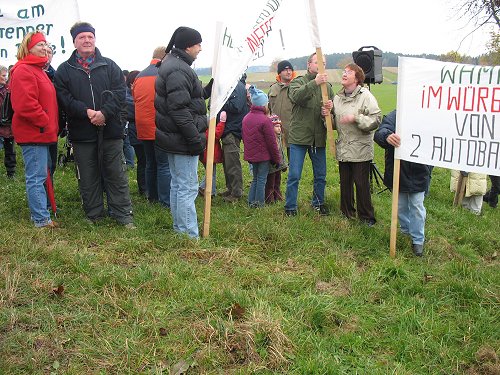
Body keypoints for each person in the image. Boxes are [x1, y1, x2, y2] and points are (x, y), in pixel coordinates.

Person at [55, 22, 135, 228]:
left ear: (95, 40)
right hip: (82, 133)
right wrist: (87, 112)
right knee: (88, 176)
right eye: (82, 37)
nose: (87, 40)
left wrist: (104, 113)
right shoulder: (65, 70)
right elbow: (64, 98)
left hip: (110, 131)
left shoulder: (110, 66)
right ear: (74, 42)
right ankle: (93, 214)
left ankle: (122, 215)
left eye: (90, 36)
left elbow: (119, 94)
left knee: (116, 174)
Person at [155, 26, 207, 238]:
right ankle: (188, 234)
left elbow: (187, 97)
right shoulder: (178, 69)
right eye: (198, 44)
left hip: (174, 137)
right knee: (187, 187)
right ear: (188, 45)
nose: (200, 49)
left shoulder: (175, 65)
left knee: (178, 185)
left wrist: (208, 90)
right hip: (182, 138)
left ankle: (180, 230)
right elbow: (179, 109)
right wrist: (194, 139)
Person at [9, 31, 59, 228]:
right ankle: (40, 219)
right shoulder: (23, 70)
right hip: (34, 133)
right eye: (40, 45)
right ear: (28, 48)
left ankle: (43, 212)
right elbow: (25, 104)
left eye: (46, 45)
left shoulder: (37, 70)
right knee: (36, 177)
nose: (45, 48)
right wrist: (44, 121)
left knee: (41, 175)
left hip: (41, 132)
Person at [374, 110, 431, 256]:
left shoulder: (429, 115)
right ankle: (406, 231)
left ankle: (418, 240)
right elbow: (380, 131)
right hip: (398, 170)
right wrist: (387, 136)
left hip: (420, 171)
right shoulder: (397, 114)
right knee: (400, 206)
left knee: (417, 206)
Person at [331, 63, 381, 226]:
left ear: (357, 79)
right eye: (344, 71)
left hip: (360, 149)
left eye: (349, 72)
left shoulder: (366, 96)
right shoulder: (337, 98)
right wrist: (326, 115)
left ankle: (367, 218)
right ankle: (346, 213)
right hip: (344, 147)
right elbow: (334, 123)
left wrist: (356, 118)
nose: (344, 74)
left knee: (361, 185)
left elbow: (376, 121)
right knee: (345, 183)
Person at [284, 52, 334, 216]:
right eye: (317, 62)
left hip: (318, 138)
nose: (321, 66)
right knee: (294, 175)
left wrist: (327, 110)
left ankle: (318, 204)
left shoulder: (327, 88)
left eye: (324, 63)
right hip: (299, 137)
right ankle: (290, 207)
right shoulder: (298, 82)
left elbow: (332, 112)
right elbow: (297, 97)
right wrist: (315, 83)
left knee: (321, 175)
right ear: (308, 65)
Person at [133, 46, 171, 206]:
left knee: (150, 163)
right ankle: (165, 201)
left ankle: (152, 197)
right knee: (163, 165)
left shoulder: (139, 76)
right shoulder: (164, 74)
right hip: (160, 127)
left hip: (142, 128)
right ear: (165, 58)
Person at [242, 86, 281, 207]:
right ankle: (259, 204)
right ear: (264, 105)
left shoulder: (246, 118)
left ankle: (251, 201)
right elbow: (271, 142)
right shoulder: (265, 120)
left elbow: (245, 137)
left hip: (251, 156)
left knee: (255, 178)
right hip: (263, 156)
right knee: (261, 180)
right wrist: (277, 159)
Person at [220, 73, 249, 203]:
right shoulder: (233, 84)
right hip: (229, 129)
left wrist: (220, 101)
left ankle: (236, 193)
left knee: (232, 162)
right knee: (227, 161)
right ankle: (230, 188)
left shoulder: (237, 85)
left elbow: (236, 106)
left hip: (233, 129)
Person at [268, 59, 296, 158]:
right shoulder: (273, 88)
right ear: (279, 73)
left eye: (290, 70)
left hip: (292, 130)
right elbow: (269, 109)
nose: (288, 72)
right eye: (285, 70)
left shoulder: (296, 87)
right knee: (275, 160)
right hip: (275, 130)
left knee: (292, 160)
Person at [125, 70, 147, 196]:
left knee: (145, 160)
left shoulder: (132, 96)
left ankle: (145, 186)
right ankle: (143, 188)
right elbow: (135, 111)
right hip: (136, 130)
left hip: (139, 130)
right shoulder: (128, 97)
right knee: (143, 160)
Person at [199, 111, 226, 197]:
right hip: (209, 156)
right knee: (211, 173)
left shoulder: (202, 131)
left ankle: (204, 187)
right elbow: (217, 133)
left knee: (209, 172)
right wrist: (222, 122)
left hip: (205, 156)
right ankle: (210, 191)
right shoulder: (208, 132)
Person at [265, 114, 288, 204]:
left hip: (279, 165)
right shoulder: (271, 139)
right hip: (273, 166)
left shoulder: (280, 138)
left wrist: (284, 165)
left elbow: (282, 154)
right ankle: (269, 199)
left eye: (280, 126)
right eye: (276, 126)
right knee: (271, 183)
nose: (279, 128)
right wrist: (276, 162)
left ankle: (277, 196)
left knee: (277, 182)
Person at [0, 65, 16, 178]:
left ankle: (11, 172)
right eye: (3, 75)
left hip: (7, 125)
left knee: (10, 150)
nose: (5, 78)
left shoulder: (8, 89)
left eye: (6, 76)